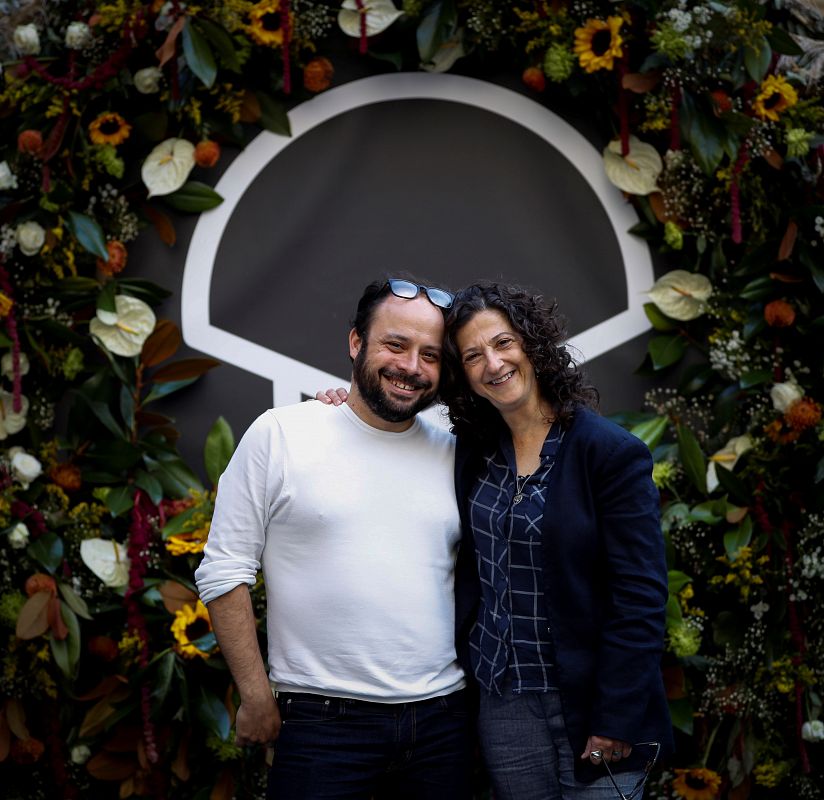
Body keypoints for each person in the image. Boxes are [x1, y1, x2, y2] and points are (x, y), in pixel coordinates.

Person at [195, 276, 473, 800]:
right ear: (355, 343)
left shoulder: (457, 452)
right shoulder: (281, 434)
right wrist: (256, 697)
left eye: (431, 355)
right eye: (395, 344)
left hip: (442, 724)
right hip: (323, 726)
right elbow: (223, 571)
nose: (411, 367)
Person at [441, 281, 673, 799]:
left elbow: (640, 597)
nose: (493, 364)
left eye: (503, 343)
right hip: (505, 705)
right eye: (473, 356)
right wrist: (338, 402)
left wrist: (615, 716)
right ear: (463, 375)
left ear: (532, 344)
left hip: (591, 705)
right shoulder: (472, 453)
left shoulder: (609, 454)